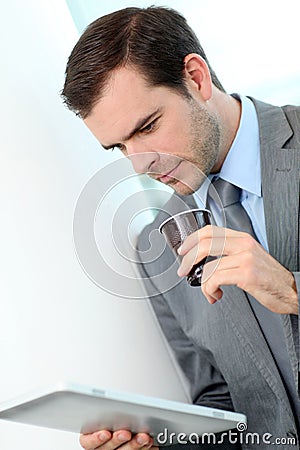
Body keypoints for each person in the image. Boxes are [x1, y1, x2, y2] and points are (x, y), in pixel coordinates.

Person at [61, 6, 300, 449]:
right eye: (119, 146)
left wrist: (292, 291)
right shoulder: (155, 245)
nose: (140, 164)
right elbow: (224, 407)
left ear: (196, 77)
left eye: (148, 126)